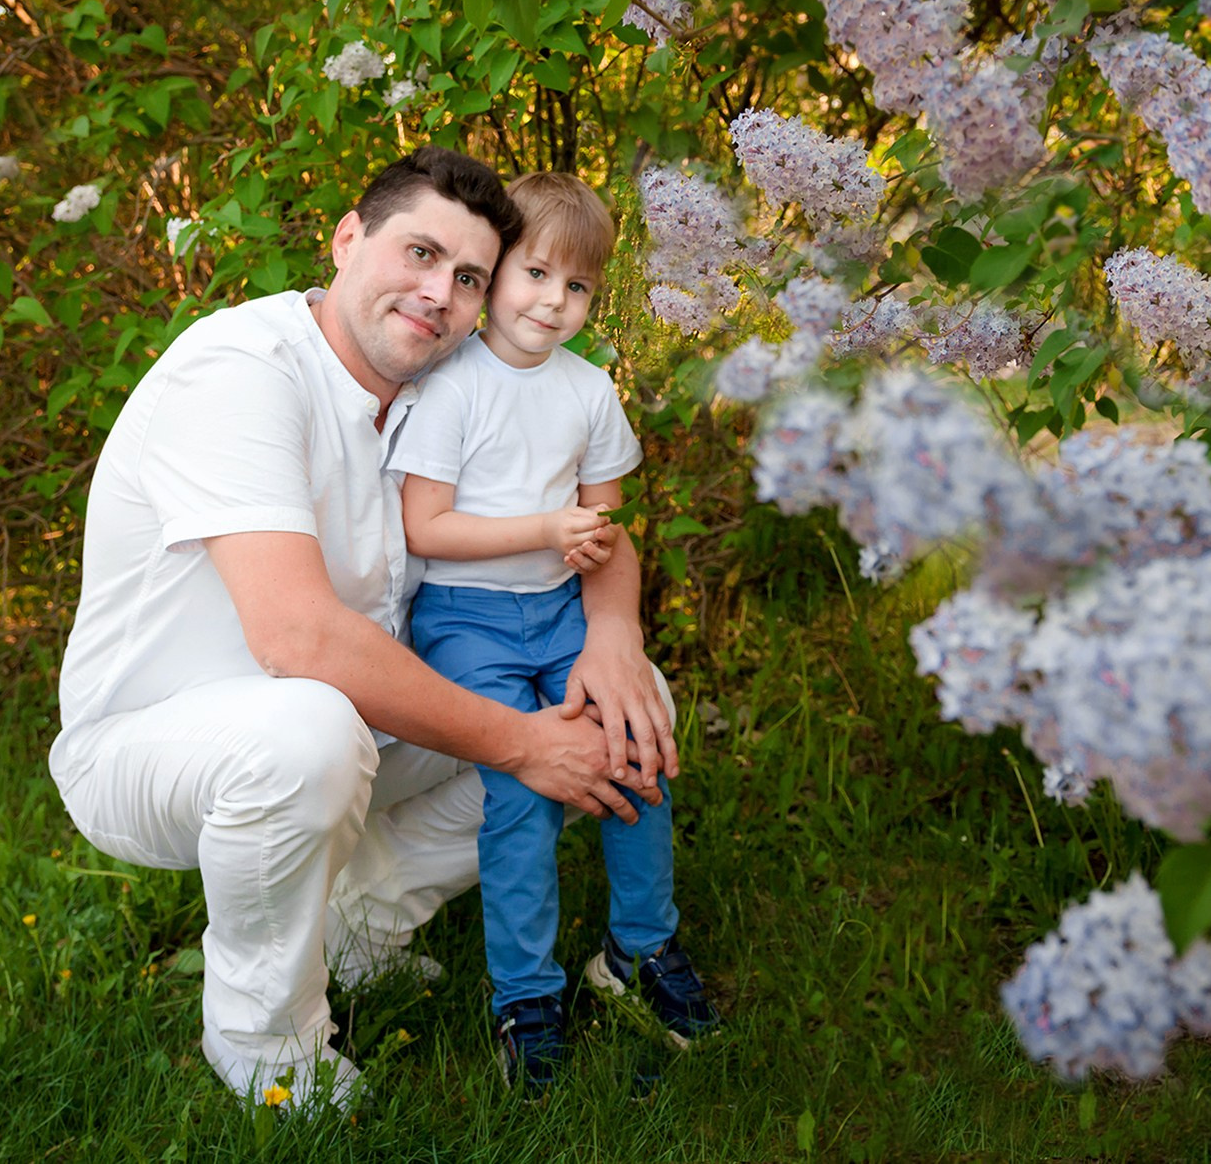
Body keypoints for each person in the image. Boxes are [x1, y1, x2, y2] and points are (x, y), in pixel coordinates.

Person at [49, 147, 681, 1111]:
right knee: (311, 734)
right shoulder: (240, 369)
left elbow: (600, 528)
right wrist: (523, 743)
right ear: (348, 238)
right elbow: (296, 639)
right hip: (163, 744)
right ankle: (267, 1040)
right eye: (420, 253)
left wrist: (614, 635)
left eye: (468, 277)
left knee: (619, 706)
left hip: (359, 726)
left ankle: (361, 925)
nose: (438, 293)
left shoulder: (445, 381)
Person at [391, 172, 720, 1096]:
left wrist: (587, 560)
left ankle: (637, 950)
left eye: (576, 286)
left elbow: (605, 525)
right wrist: (545, 528)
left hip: (562, 613)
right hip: (466, 618)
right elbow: (425, 527)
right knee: (525, 788)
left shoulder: (588, 391)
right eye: (535, 273)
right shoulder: (451, 385)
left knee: (635, 748)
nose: (553, 301)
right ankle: (525, 995)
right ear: (495, 271)